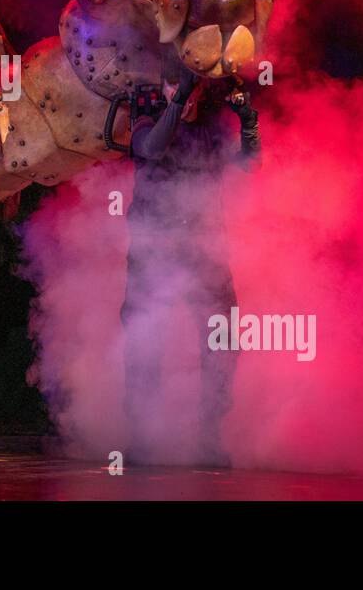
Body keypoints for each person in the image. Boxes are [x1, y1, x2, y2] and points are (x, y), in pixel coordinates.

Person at [123, 72, 260, 468]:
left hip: (205, 250)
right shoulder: (146, 121)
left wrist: (248, 122)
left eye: (193, 91)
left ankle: (209, 438)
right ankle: (143, 438)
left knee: (221, 342)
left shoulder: (208, 132)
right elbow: (150, 148)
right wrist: (175, 100)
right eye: (176, 87)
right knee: (146, 341)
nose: (187, 98)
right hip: (155, 251)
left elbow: (250, 165)